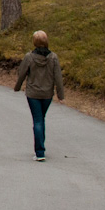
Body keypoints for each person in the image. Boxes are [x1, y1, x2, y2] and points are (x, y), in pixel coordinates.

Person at [14, 30, 64, 161]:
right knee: (41, 118)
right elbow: (58, 77)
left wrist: (17, 87)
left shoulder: (29, 57)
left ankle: (40, 151)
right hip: (47, 94)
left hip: (33, 93)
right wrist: (60, 94)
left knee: (37, 120)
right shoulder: (53, 57)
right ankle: (41, 147)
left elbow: (22, 73)